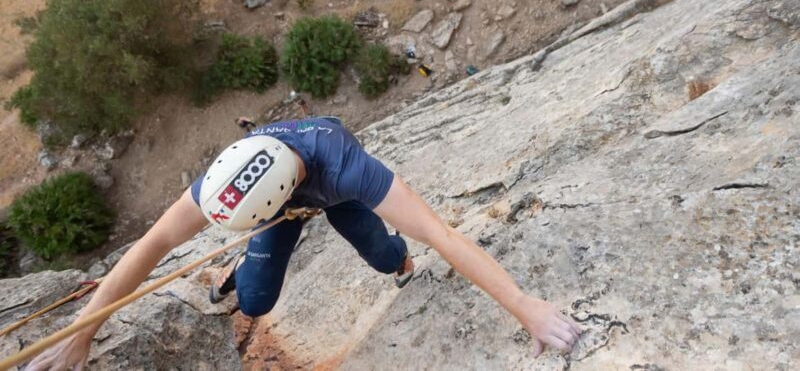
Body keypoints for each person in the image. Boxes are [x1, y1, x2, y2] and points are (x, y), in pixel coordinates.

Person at [25, 117, 581, 370]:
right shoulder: (229, 176)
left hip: (329, 195)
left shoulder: (349, 170)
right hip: (276, 207)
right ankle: (242, 266)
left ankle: (396, 260)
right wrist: (81, 333)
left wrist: (524, 305)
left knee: (383, 253)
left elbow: (443, 235)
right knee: (255, 298)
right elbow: (150, 247)